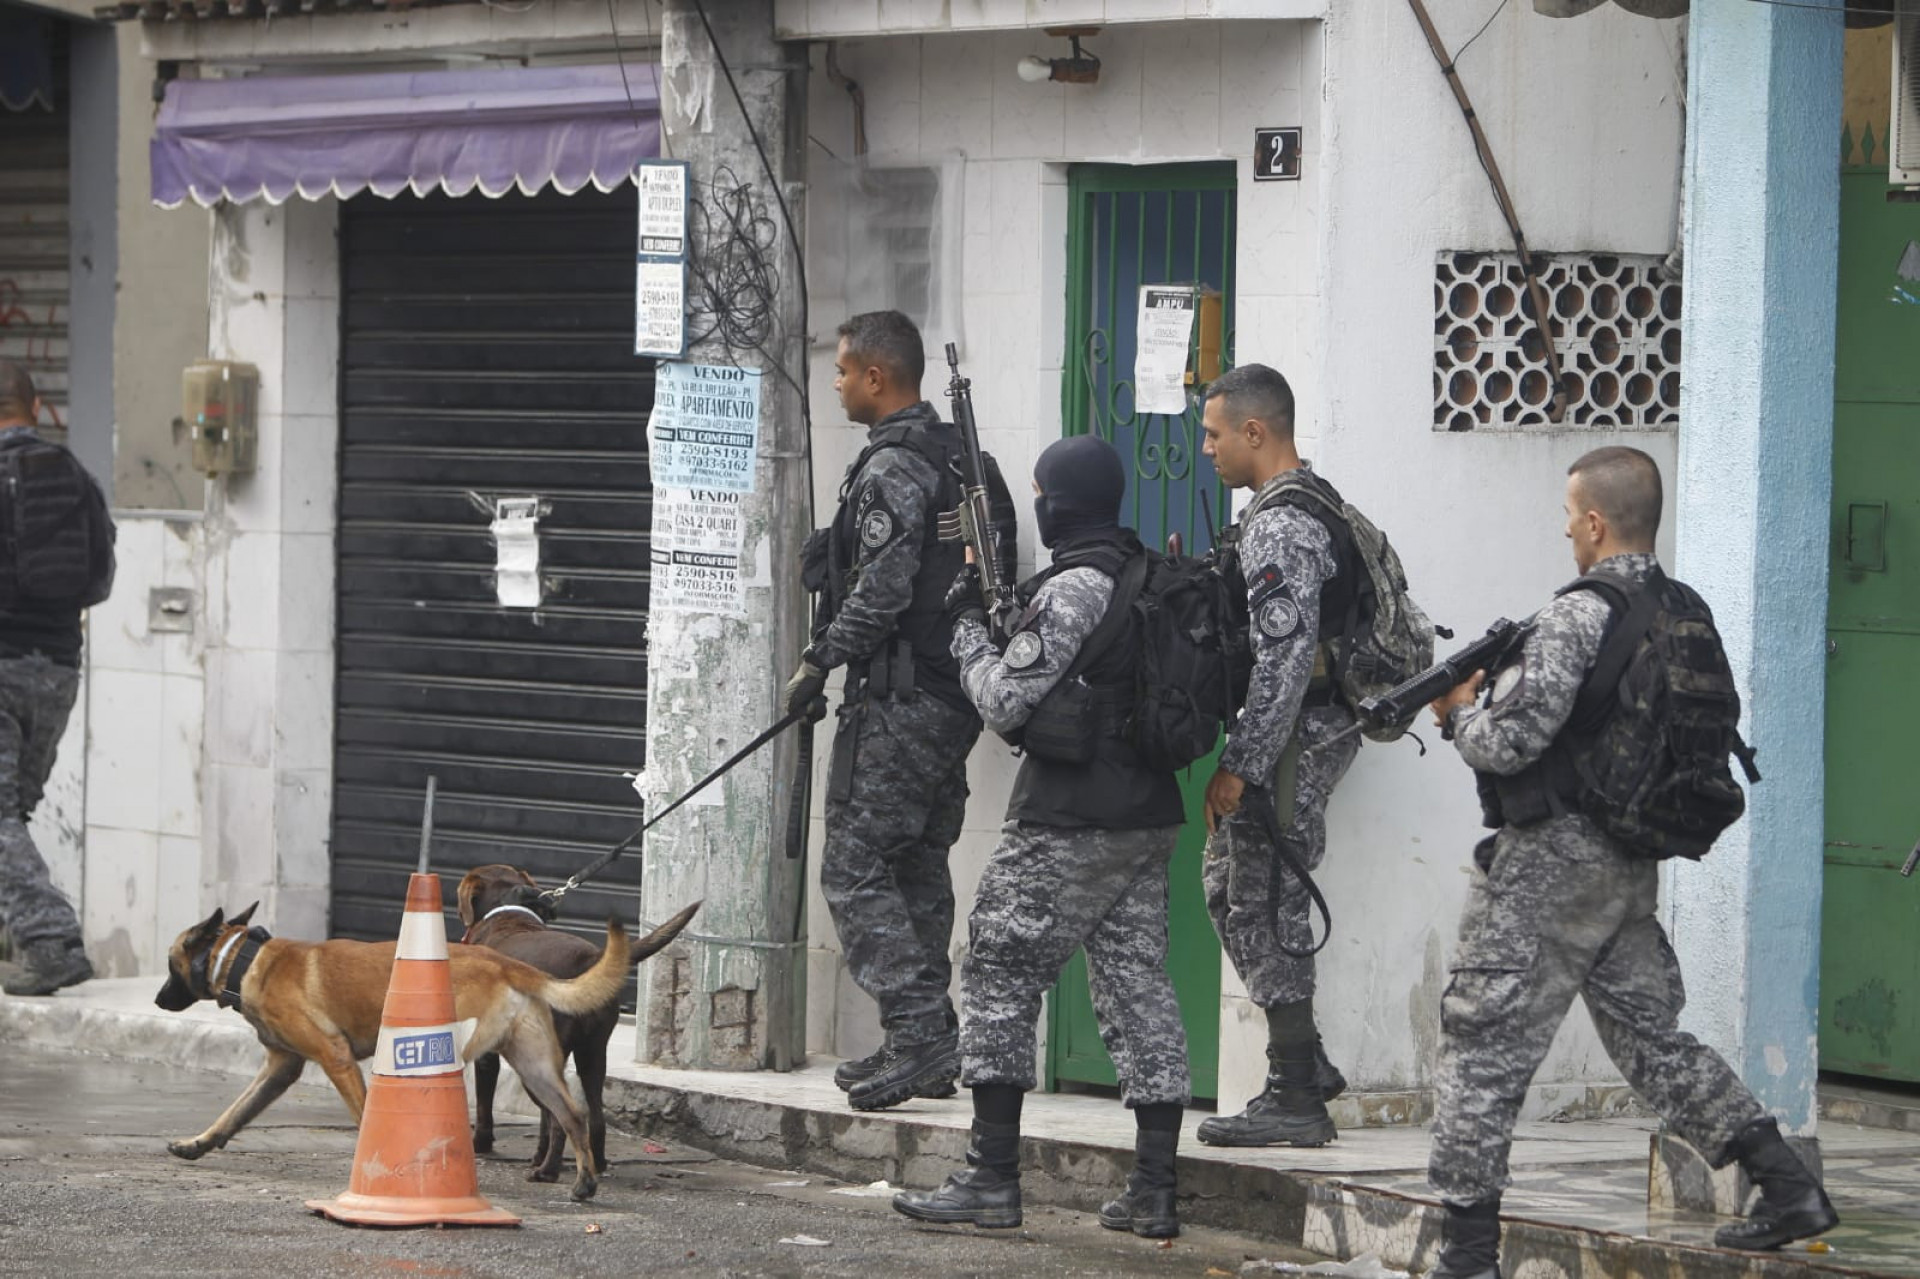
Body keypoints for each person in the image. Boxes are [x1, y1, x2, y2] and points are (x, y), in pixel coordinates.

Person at [1421, 446, 1837, 1277]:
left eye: (1571, 515)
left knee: (1481, 1044)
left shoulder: (1577, 613)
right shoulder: (1680, 608)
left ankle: (1466, 1255)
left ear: (1597, 521)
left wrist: (1460, 712)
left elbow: (1512, 741)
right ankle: (1785, 1183)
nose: (1566, 528)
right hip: (1625, 862)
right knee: (1650, 1039)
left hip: (1550, 865)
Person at [892, 434, 1191, 1237]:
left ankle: (991, 1177)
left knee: (996, 969)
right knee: (1138, 989)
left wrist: (963, 633)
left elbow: (1004, 702)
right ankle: (1156, 1190)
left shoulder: (1074, 589)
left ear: (1058, 501)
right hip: (1148, 814)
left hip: (1071, 817)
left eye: (1039, 491)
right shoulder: (1140, 573)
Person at [785, 311, 1001, 1111]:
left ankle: (918, 1030)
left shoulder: (894, 468)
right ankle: (930, 1044)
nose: (837, 383)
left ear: (877, 377)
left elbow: (883, 588)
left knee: (851, 863)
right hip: (949, 695)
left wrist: (819, 660)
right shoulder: (954, 457)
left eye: (843, 371)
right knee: (913, 861)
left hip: (903, 696)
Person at [1191, 363, 1354, 1147]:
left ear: (1256, 432)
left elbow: (1285, 662)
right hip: (1296, 731)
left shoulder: (1282, 524)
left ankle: (1296, 1094)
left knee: (1264, 899)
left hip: (1294, 739)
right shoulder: (1302, 503)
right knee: (1230, 889)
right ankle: (1307, 1065)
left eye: (1215, 434)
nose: (1208, 449)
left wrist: (1241, 765)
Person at [0, 360, 108, 997]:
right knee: (11, 811)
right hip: (58, 670)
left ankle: (50, 939)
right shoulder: (76, 477)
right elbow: (100, 576)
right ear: (36, 405)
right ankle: (37, 933)